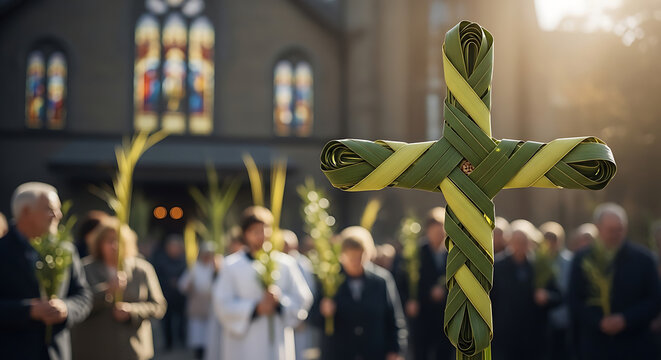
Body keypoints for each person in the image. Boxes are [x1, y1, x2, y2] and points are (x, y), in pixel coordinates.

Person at [0, 182, 92, 360]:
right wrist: (28, 310)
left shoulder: (66, 249)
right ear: (26, 212)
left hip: (56, 353)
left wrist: (66, 308)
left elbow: (83, 294)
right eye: (50, 209)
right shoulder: (2, 251)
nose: (58, 215)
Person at [213, 206, 313, 360]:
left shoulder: (285, 263)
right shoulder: (231, 265)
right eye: (256, 231)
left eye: (266, 229)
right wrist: (254, 309)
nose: (262, 235)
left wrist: (279, 303)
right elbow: (222, 304)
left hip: (277, 339)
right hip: (244, 344)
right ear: (245, 234)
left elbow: (302, 298)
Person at [568, 203, 661, 360]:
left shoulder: (644, 259)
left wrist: (625, 319)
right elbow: (574, 299)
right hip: (594, 346)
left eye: (620, 229)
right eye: (611, 230)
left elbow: (655, 300)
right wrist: (598, 321)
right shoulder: (582, 259)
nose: (616, 234)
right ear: (598, 228)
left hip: (634, 345)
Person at [71, 217, 167, 360]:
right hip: (94, 350)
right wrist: (107, 291)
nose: (115, 246)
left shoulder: (141, 269)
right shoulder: (84, 269)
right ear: (99, 243)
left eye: (119, 241)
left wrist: (132, 311)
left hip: (131, 350)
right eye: (109, 241)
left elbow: (159, 306)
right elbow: (75, 305)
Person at [316, 226, 405, 360]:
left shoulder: (382, 280)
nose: (355, 262)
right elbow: (313, 318)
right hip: (339, 353)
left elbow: (395, 319)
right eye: (350, 257)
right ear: (341, 255)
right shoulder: (329, 279)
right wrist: (323, 311)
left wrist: (395, 350)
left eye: (360, 256)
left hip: (374, 353)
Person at [491, 220, 561, 360]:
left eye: (524, 241)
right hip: (505, 337)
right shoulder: (497, 267)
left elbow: (558, 296)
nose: (520, 245)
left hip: (533, 337)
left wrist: (546, 297)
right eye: (516, 241)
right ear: (509, 242)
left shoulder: (540, 266)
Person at [407, 207, 453, 360]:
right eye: (435, 231)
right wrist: (412, 299)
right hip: (422, 313)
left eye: (441, 231)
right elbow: (406, 280)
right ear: (427, 230)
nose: (438, 235)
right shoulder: (416, 253)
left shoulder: (451, 253)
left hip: (445, 314)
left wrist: (444, 291)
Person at [282, 229, 320, 360]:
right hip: (283, 316)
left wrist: (303, 317)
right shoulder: (279, 262)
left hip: (300, 320)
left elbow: (308, 292)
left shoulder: (302, 263)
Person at [178, 241, 218, 360]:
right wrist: (189, 286)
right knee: (197, 334)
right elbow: (182, 285)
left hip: (211, 307)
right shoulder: (194, 268)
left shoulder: (215, 268)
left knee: (210, 336)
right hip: (197, 307)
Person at [539, 221, 572, 360]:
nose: (550, 243)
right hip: (541, 321)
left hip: (563, 319)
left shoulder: (569, 261)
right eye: (547, 239)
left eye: (554, 239)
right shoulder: (537, 260)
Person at [151, 234, 188, 350]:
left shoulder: (184, 260)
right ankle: (169, 343)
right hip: (166, 295)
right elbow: (156, 277)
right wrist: (168, 282)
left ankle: (182, 341)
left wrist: (179, 282)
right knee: (166, 322)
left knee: (182, 320)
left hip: (180, 296)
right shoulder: (160, 260)